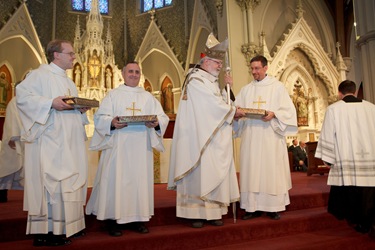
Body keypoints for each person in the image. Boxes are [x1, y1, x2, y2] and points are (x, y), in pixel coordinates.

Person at [16, 39, 90, 246]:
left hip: (69, 141)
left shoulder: (69, 82)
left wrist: (80, 109)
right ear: (56, 55)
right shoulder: (39, 75)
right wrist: (50, 103)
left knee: (69, 184)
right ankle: (47, 231)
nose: (74, 57)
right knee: (53, 185)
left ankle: (67, 227)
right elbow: (22, 98)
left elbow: (69, 106)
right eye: (71, 54)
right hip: (50, 141)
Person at [86, 62, 169, 237]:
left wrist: (156, 123)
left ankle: (138, 219)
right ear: (123, 74)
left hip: (141, 147)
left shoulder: (148, 97)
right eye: (130, 71)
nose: (134, 74)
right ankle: (113, 219)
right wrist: (112, 122)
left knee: (139, 181)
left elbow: (162, 117)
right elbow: (101, 116)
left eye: (137, 72)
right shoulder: (113, 95)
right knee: (116, 180)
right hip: (118, 146)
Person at [168, 33, 241, 228]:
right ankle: (195, 214)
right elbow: (211, 107)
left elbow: (221, 103)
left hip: (212, 135)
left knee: (212, 173)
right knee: (200, 174)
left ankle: (214, 212)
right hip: (198, 137)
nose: (219, 66)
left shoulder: (209, 81)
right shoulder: (195, 81)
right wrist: (233, 110)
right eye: (217, 62)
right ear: (206, 62)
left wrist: (228, 90)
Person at [234, 55, 297, 221]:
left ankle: (273, 207)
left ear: (265, 68)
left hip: (270, 138)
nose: (254, 72)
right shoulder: (246, 90)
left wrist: (274, 114)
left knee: (271, 171)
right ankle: (251, 207)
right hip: (251, 138)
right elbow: (236, 109)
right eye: (252, 69)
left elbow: (289, 111)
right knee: (251, 170)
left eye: (257, 68)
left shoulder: (277, 87)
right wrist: (236, 113)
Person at [315, 80, 375, 240]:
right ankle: (368, 223)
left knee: (350, 190)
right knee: (368, 192)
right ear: (354, 92)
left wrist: (328, 159)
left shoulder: (334, 109)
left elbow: (328, 134)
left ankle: (355, 220)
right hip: (370, 158)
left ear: (340, 93)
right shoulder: (371, 108)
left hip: (346, 158)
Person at [0, 96, 25, 202]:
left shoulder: (29, 100)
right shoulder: (15, 101)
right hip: (14, 139)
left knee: (21, 165)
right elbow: (12, 119)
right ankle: (2, 193)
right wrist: (13, 136)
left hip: (24, 138)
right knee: (8, 166)